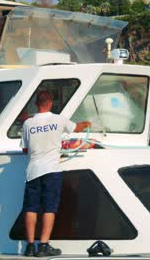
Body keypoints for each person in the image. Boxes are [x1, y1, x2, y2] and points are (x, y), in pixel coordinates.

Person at [20, 91, 91, 257]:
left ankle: (30, 247)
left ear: (36, 104)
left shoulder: (28, 123)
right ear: (50, 103)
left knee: (31, 208)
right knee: (49, 208)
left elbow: (25, 149)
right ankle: (44, 246)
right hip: (51, 170)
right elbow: (77, 128)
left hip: (33, 171)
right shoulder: (58, 120)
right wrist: (87, 123)